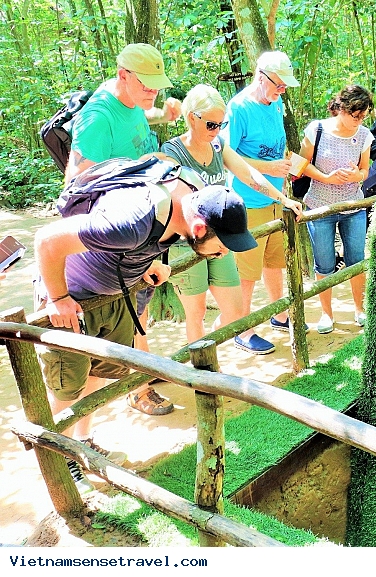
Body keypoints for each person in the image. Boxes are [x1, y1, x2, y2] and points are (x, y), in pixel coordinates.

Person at [35, 172, 258, 491]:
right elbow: (47, 240)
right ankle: (62, 463)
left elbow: (135, 247)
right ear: (199, 229)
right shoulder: (134, 220)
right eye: (222, 246)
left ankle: (82, 442)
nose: (224, 254)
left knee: (98, 374)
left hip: (112, 297)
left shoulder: (176, 221)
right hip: (72, 300)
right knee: (66, 387)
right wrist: (58, 298)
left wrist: (146, 265)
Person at [66, 43, 182, 416]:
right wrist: (143, 167)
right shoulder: (97, 117)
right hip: (118, 235)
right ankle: (138, 387)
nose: (154, 92)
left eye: (157, 85)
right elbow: (77, 180)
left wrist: (164, 115)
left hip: (142, 228)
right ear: (123, 76)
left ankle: (141, 374)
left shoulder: (131, 101)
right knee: (130, 313)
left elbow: (137, 123)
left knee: (140, 311)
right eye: (147, 85)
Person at [161, 84, 302, 351]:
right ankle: (204, 375)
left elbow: (248, 174)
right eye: (212, 124)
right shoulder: (172, 153)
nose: (216, 130)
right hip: (187, 240)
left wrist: (282, 199)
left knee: (235, 310)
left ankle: (228, 336)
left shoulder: (217, 144)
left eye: (221, 124)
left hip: (219, 238)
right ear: (192, 117)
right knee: (197, 311)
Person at [222, 51, 304, 352]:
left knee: (274, 262)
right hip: (247, 202)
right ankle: (242, 330)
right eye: (278, 85)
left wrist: (282, 167)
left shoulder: (276, 102)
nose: (281, 91)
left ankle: (279, 315)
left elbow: (273, 147)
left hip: (274, 197)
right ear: (261, 76)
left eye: (284, 87)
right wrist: (268, 168)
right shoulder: (238, 108)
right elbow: (226, 156)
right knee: (247, 273)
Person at [298, 85, 373, 334]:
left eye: (363, 116)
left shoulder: (363, 136)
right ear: (341, 109)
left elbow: (365, 170)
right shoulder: (316, 129)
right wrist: (326, 177)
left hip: (353, 204)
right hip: (320, 205)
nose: (359, 121)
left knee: (356, 259)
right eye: (356, 115)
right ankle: (326, 314)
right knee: (325, 262)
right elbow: (301, 164)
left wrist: (357, 175)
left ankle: (360, 309)